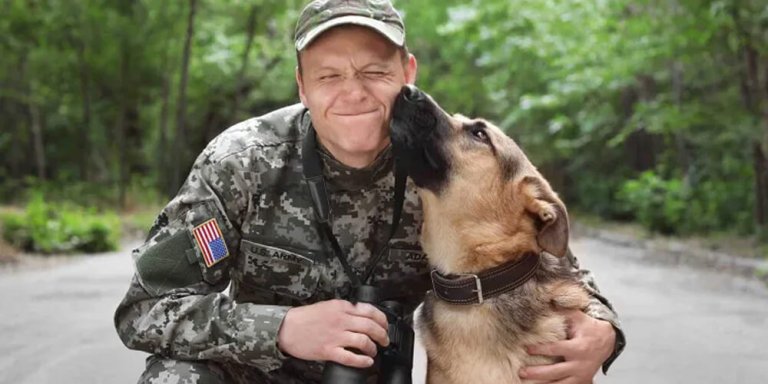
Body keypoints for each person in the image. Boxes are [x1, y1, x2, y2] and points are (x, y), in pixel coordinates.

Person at [114, 0, 626, 383]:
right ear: (302, 86)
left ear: (407, 73)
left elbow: (550, 260)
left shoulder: (443, 168)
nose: (353, 92)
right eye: (329, 75)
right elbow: (143, 310)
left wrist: (603, 328)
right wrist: (279, 329)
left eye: (375, 71)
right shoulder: (241, 163)